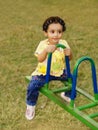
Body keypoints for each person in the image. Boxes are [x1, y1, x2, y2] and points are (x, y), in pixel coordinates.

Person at [25, 16, 73, 120]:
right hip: (43, 73)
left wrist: (69, 54)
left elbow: (69, 59)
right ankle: (30, 105)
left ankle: (66, 94)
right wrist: (46, 51)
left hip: (59, 71)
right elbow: (40, 59)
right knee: (33, 86)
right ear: (46, 33)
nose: (56, 34)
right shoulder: (43, 44)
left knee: (72, 79)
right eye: (52, 31)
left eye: (59, 31)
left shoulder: (63, 43)